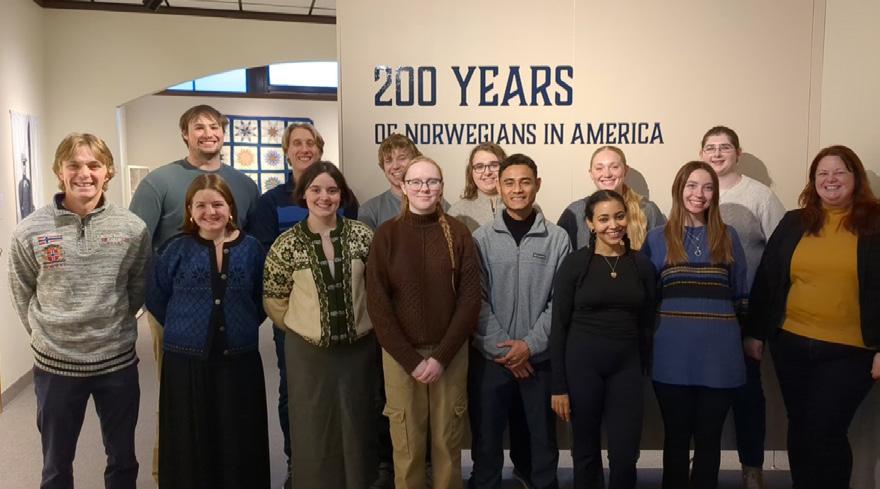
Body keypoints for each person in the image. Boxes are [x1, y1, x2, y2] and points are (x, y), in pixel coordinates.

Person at [8, 133, 151, 489]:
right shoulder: (29, 231)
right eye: (73, 165)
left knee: (122, 460)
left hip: (116, 362)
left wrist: (113, 325)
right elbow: (22, 292)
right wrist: (50, 334)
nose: (84, 173)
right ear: (59, 171)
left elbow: (137, 288)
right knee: (56, 465)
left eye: (93, 165)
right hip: (56, 365)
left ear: (108, 172)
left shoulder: (133, 228)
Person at [129, 104, 260, 482]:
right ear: (185, 134)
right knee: (181, 400)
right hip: (176, 312)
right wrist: (172, 312)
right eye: (198, 127)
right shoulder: (159, 181)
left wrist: (244, 313)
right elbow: (138, 245)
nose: (207, 133)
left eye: (214, 126)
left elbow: (252, 259)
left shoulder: (244, 184)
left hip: (233, 317)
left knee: (230, 405)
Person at [747, 145, 880, 489]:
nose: (830, 179)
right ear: (813, 180)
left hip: (851, 350)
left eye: (839, 172)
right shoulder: (795, 221)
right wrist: (755, 332)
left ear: (855, 177)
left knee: (826, 430)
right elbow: (769, 278)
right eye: (822, 173)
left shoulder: (875, 223)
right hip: (791, 343)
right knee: (801, 425)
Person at [146, 174, 269, 488]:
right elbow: (157, 297)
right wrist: (188, 325)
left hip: (239, 358)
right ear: (189, 210)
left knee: (237, 434)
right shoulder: (175, 249)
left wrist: (238, 324)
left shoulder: (252, 249)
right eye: (200, 205)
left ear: (230, 208)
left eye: (217, 204)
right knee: (190, 436)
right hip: (185, 360)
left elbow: (261, 299)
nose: (210, 212)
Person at [250, 123, 358, 478]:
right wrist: (296, 320)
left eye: (310, 142)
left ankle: (342, 463)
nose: (304, 148)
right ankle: (297, 461)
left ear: (319, 148)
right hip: (295, 322)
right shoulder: (270, 202)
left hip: (343, 320)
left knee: (345, 393)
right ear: (286, 151)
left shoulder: (345, 197)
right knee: (296, 393)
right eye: (296, 143)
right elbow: (268, 263)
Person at [366, 156, 481, 489]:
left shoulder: (458, 233)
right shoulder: (387, 235)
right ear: (403, 187)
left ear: (441, 187)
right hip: (401, 356)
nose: (424, 188)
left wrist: (441, 357)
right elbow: (378, 305)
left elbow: (470, 301)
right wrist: (412, 361)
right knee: (407, 445)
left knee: (447, 442)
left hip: (450, 354)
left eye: (432, 181)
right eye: (415, 182)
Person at [263, 162, 378, 489]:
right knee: (313, 425)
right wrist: (305, 325)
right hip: (308, 354)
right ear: (304, 194)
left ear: (342, 195)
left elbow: (377, 288)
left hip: (359, 351)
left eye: (332, 190)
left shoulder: (362, 236)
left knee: (359, 420)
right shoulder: (286, 244)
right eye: (316, 189)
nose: (324, 197)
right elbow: (274, 297)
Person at [641, 161, 748, 489]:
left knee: (709, 438)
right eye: (691, 185)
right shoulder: (657, 238)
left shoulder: (729, 237)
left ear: (715, 194)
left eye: (707, 187)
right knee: (675, 436)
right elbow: (647, 298)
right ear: (679, 189)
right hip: (671, 357)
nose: (699, 194)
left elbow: (741, 296)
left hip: (720, 357)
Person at [470, 154, 570, 489]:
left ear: (537, 185)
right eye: (509, 182)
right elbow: (476, 300)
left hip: (538, 360)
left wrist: (528, 346)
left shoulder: (557, 239)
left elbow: (559, 303)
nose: (517, 189)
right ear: (499, 187)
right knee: (486, 441)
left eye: (525, 182)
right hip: (492, 360)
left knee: (542, 442)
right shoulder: (481, 238)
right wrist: (505, 350)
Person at [698, 125, 786, 489]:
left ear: (738, 153)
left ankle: (752, 467)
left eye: (724, 147)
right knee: (703, 394)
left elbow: (781, 256)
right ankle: (703, 464)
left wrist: (760, 325)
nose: (717, 153)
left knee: (747, 393)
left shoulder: (760, 196)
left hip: (746, 313)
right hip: (703, 314)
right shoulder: (696, 192)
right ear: (701, 154)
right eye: (711, 148)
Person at [550, 190, 656, 489]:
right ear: (590, 223)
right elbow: (558, 327)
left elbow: (648, 322)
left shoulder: (641, 265)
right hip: (582, 368)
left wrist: (645, 367)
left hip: (627, 369)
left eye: (619, 217)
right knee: (585, 451)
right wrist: (559, 386)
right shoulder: (574, 265)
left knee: (625, 454)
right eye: (604, 219)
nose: (613, 225)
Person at [558, 145, 665, 250]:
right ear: (591, 174)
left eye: (614, 167)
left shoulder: (647, 210)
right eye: (599, 168)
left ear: (625, 170)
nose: (607, 174)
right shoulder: (575, 212)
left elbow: (662, 253)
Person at [448, 142, 505, 232]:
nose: (487, 172)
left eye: (494, 165)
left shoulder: (524, 205)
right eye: (479, 167)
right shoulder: (458, 211)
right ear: (471, 172)